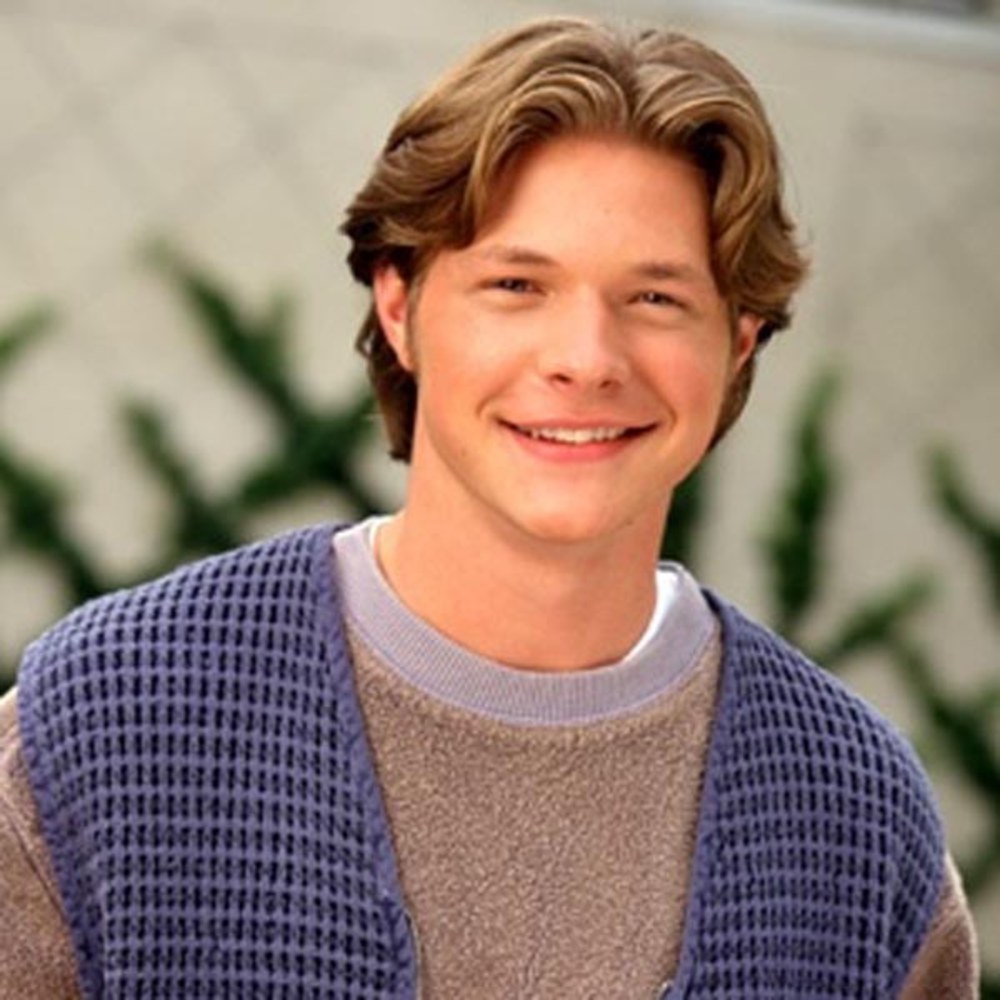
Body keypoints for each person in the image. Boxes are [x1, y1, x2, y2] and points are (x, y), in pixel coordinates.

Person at [0, 16, 979, 1000]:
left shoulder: (858, 822)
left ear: (739, 343)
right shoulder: (106, 728)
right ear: (400, 308)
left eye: (655, 299)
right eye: (517, 284)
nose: (586, 358)